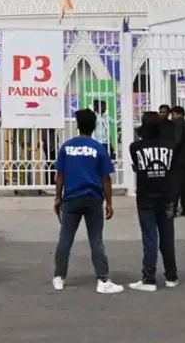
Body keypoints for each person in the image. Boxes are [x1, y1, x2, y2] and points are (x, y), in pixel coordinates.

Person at [52, 109, 123, 294]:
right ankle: (102, 279)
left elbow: (60, 175)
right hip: (92, 199)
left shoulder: (66, 147)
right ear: (94, 126)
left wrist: (58, 197)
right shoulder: (99, 148)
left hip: (71, 199)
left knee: (65, 239)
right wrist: (109, 203)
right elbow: (105, 179)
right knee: (96, 240)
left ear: (78, 125)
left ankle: (59, 277)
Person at [128, 111, 179, 292]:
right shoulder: (170, 146)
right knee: (167, 237)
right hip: (166, 195)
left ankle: (149, 278)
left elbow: (137, 167)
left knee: (150, 237)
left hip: (146, 196)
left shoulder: (135, 147)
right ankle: (171, 276)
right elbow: (173, 169)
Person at [168, 105, 185, 217]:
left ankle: (173, 209)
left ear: (179, 114)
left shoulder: (177, 124)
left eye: (173, 114)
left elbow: (177, 140)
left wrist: (171, 150)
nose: (172, 117)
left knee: (175, 186)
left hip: (178, 159)